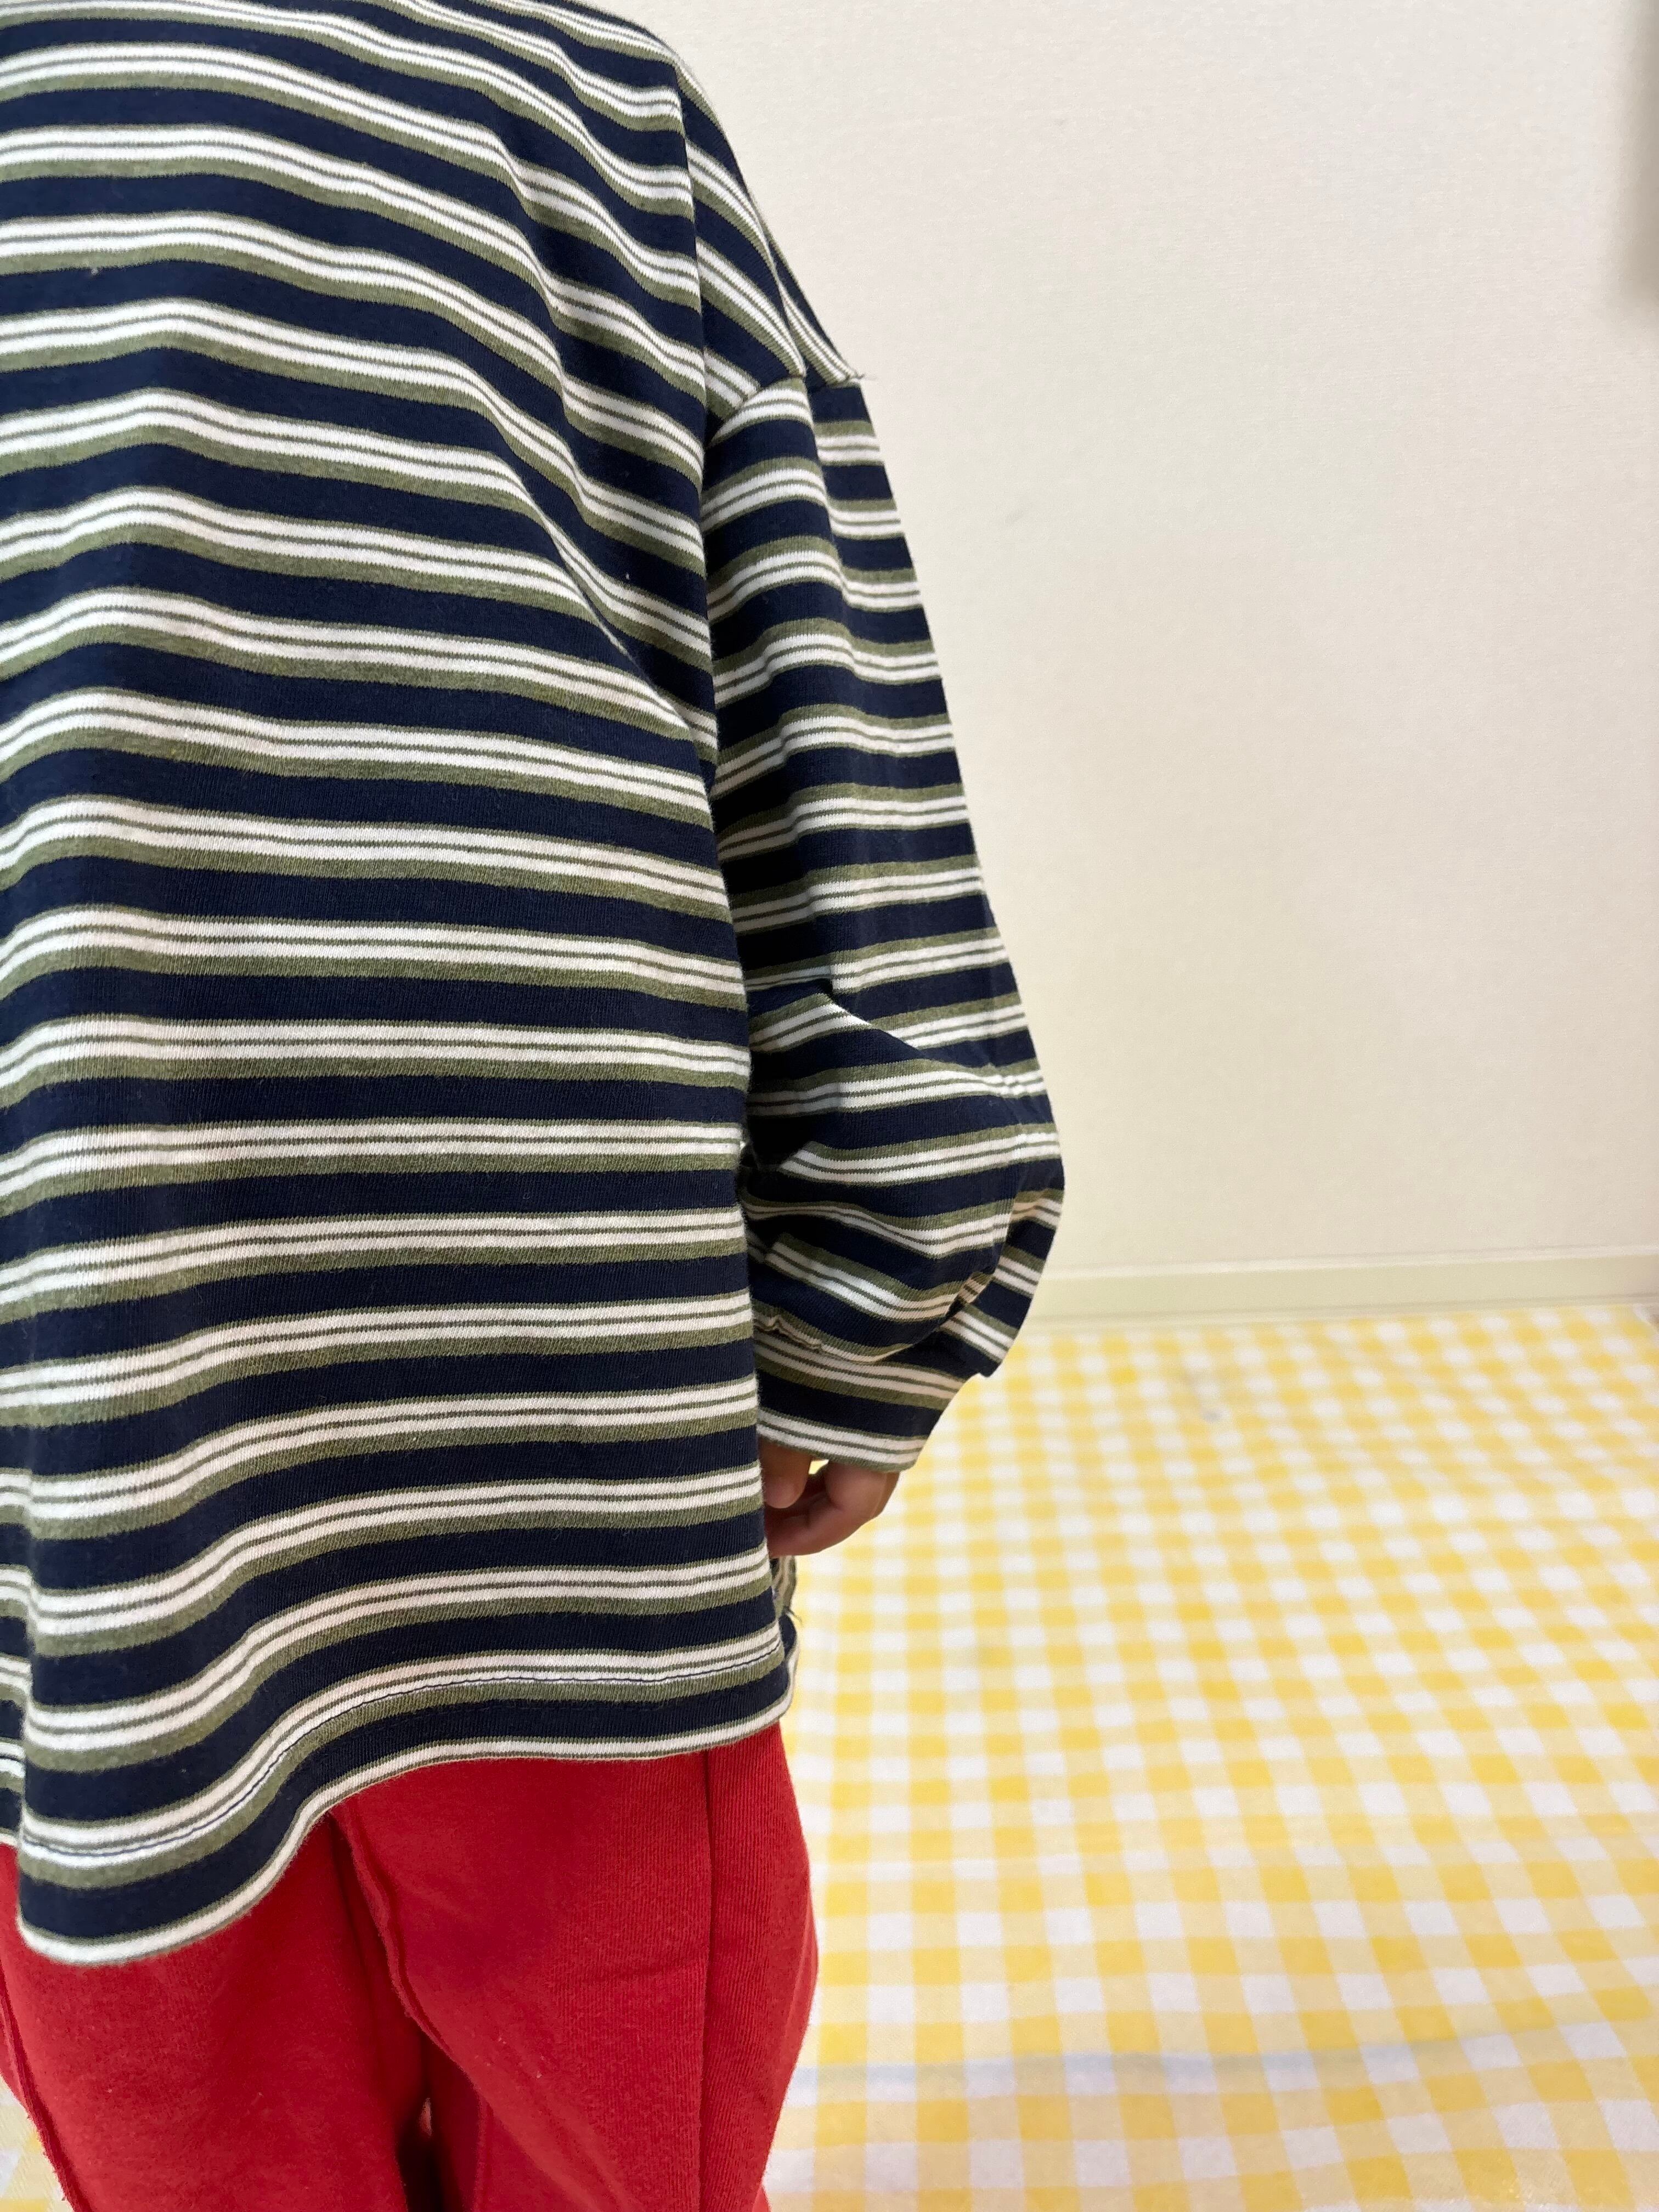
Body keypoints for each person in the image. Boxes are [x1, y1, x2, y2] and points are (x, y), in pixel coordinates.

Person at [0, 0, 1064, 2203]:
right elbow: (828, 709)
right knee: (528, 2053)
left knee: (287, 2069)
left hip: (235, 1410)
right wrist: (884, 1265)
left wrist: (881, 1268)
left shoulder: (578, 98)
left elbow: (812, 677)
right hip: (425, 1406)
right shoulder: (578, 99)